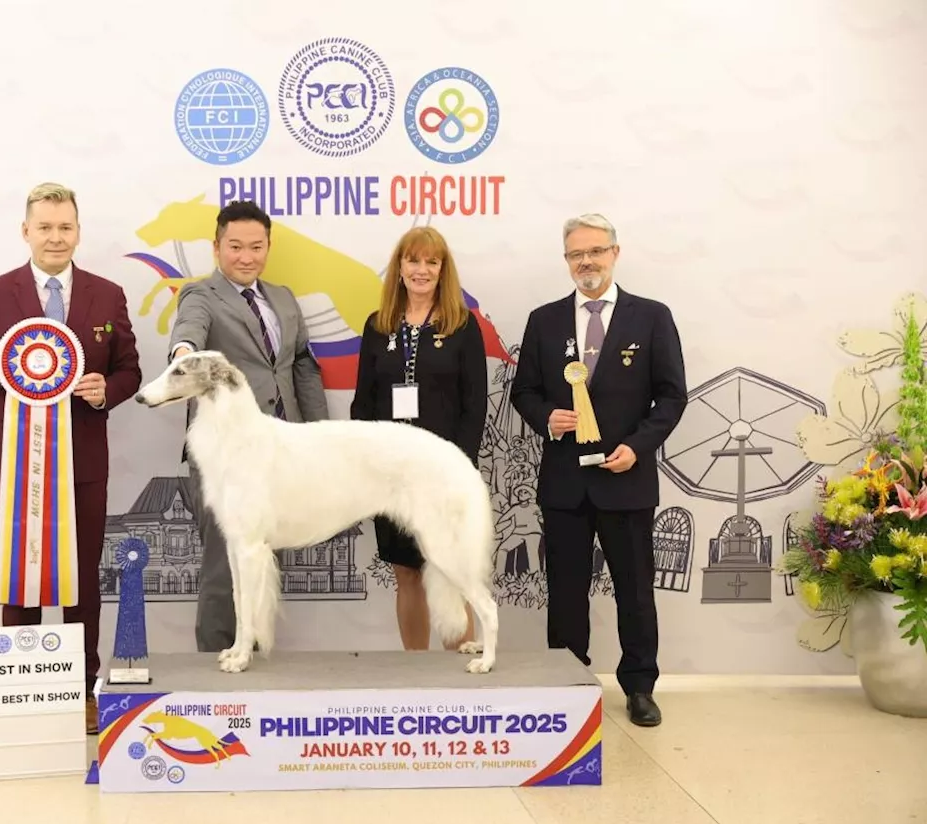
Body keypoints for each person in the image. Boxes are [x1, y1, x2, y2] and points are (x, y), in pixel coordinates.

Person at [0, 182, 142, 734]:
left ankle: (84, 691)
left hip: (84, 462)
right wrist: (13, 368)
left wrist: (104, 388)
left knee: (82, 578)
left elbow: (129, 368)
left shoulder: (107, 294)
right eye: (45, 227)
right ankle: (23, 688)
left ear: (78, 232)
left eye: (65, 227)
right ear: (26, 231)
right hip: (20, 464)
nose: (55, 237)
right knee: (22, 576)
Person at [510, 213, 686, 727]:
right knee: (565, 590)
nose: (586, 262)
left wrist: (639, 446)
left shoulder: (651, 316)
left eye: (595, 252)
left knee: (634, 590)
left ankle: (639, 687)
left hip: (626, 478)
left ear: (615, 252)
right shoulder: (544, 320)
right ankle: (566, 682)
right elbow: (524, 391)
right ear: (566, 261)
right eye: (575, 255)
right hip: (564, 481)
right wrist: (546, 417)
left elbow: (672, 395)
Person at [169, 200, 329, 653]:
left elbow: (302, 367)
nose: (246, 256)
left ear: (268, 247)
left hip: (284, 448)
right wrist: (183, 357)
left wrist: (319, 432)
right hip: (228, 453)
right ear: (216, 247)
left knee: (260, 557)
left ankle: (252, 653)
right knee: (224, 562)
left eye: (256, 247)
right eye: (235, 246)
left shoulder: (282, 298)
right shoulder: (200, 296)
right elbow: (188, 333)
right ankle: (215, 666)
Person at [350, 226, 488, 651]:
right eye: (413, 260)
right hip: (391, 478)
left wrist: (457, 469)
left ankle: (458, 667)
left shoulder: (464, 326)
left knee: (448, 572)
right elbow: (363, 405)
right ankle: (416, 669)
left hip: (443, 475)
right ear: (400, 267)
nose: (422, 269)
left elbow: (475, 405)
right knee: (406, 573)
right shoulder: (378, 326)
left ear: (443, 269)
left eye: (432, 261)